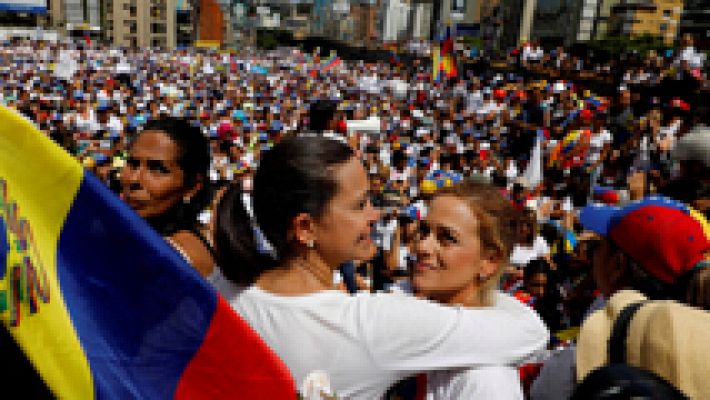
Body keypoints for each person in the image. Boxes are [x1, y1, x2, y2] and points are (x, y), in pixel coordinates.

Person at [212, 135, 548, 399]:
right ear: (305, 228)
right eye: (360, 205)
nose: (374, 216)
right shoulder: (368, 325)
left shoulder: (220, 291)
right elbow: (531, 334)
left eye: (446, 238)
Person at [411, 181, 531, 399]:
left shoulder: (487, 382)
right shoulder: (404, 321)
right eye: (424, 231)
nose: (422, 247)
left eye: (447, 238)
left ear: (489, 260)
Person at [120, 117, 216, 277]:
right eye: (133, 163)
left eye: (157, 169)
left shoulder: (176, 256)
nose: (134, 179)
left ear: (191, 187)